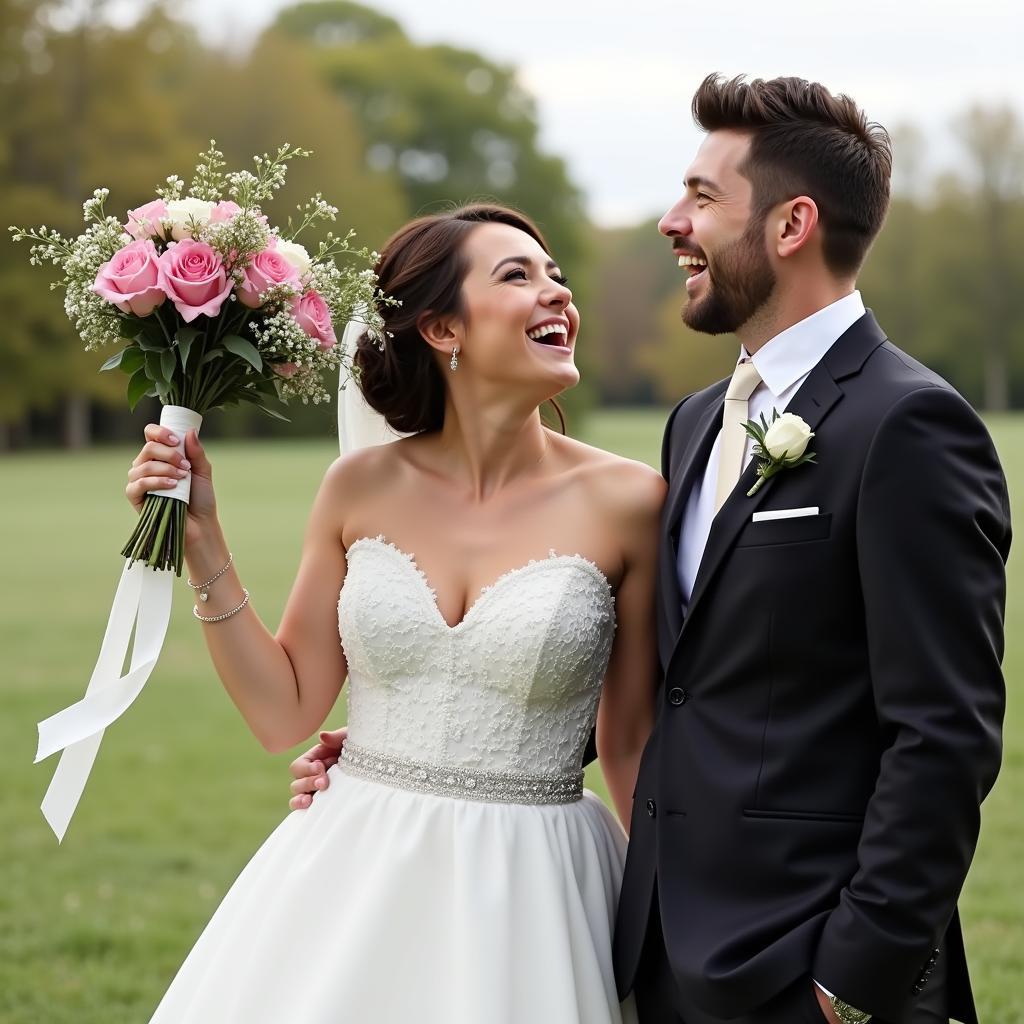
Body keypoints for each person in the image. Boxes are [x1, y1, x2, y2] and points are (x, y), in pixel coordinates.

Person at [296, 76, 1011, 1024]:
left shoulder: (908, 425)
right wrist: (420, 730)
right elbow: (685, 675)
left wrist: (856, 975)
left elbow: (944, 732)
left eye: (703, 197)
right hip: (664, 950)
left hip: (812, 969)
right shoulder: (697, 425)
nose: (673, 222)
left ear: (792, 225)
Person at [125, 204, 664, 1023]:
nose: (556, 295)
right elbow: (284, 714)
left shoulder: (629, 501)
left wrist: (676, 912)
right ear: (443, 329)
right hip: (353, 863)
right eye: (518, 276)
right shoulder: (359, 487)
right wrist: (201, 537)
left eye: (556, 276)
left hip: (542, 884)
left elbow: (630, 745)